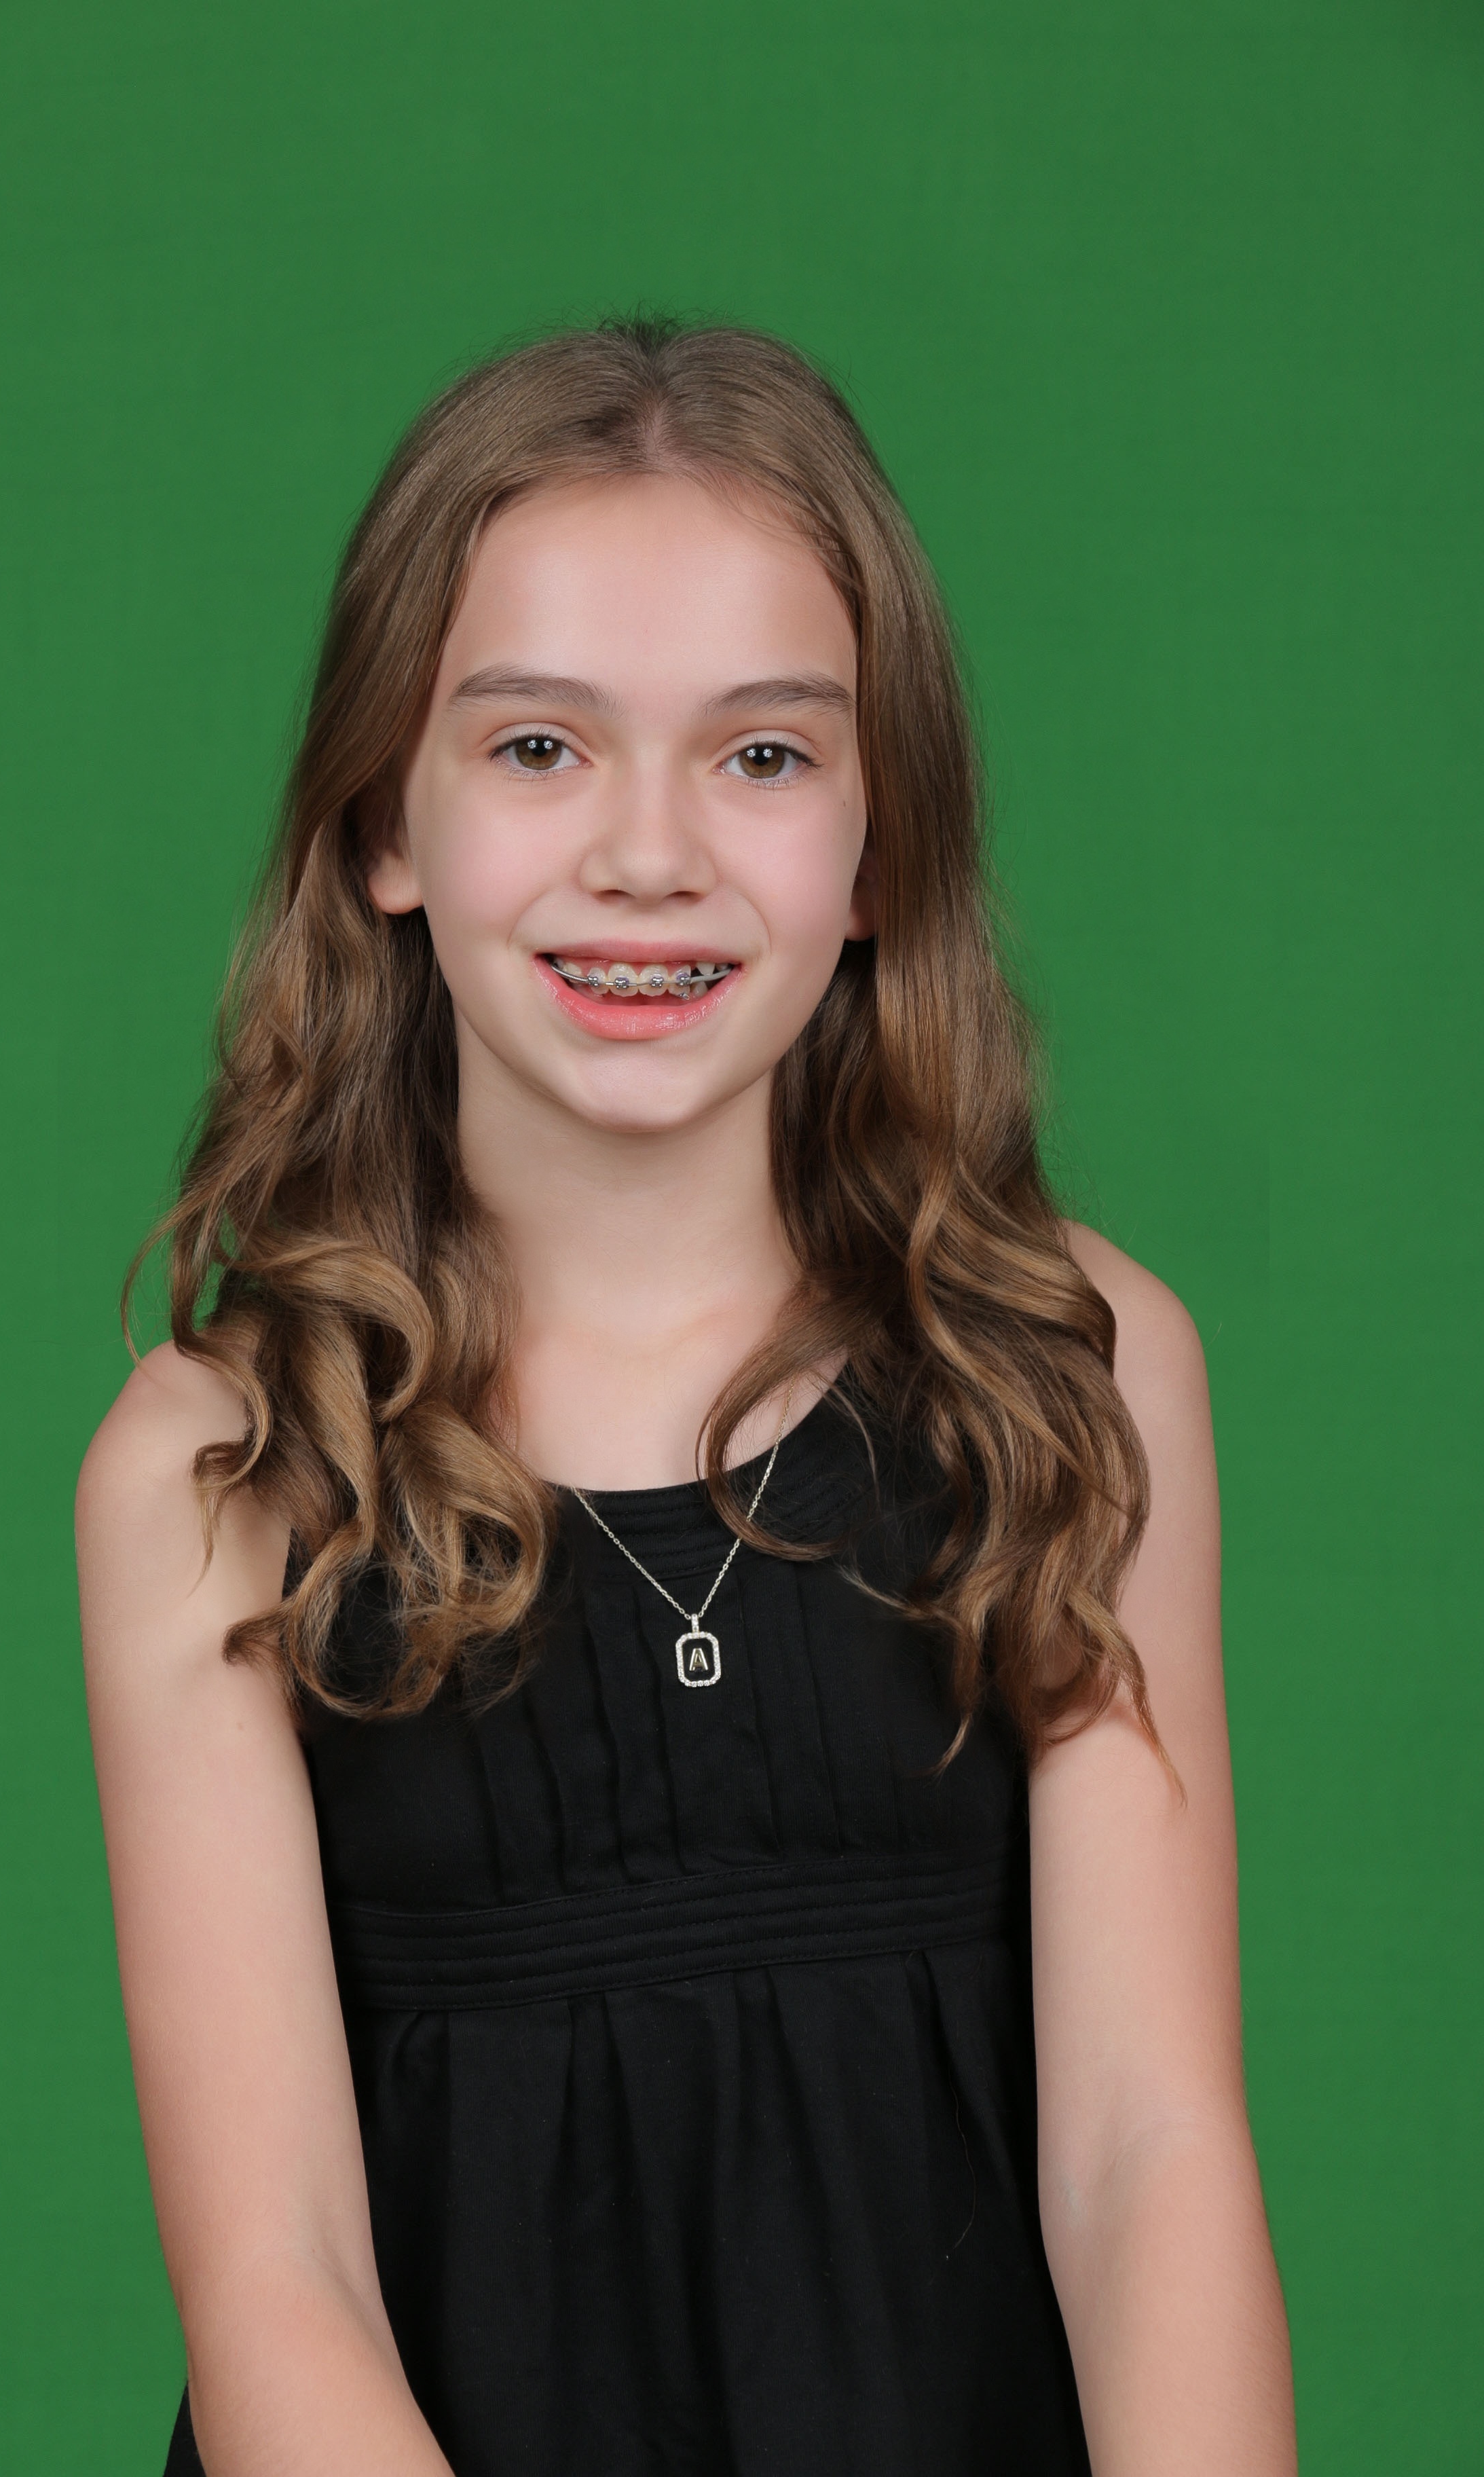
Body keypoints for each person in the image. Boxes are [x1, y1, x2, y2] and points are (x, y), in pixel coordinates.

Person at [77, 318, 1297, 2477]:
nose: (650, 854)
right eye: (541, 746)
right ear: (383, 823)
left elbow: (1149, 2156)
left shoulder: (1078, 1375)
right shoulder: (222, 1469)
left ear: (881, 847)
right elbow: (279, 2280)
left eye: (764, 755)